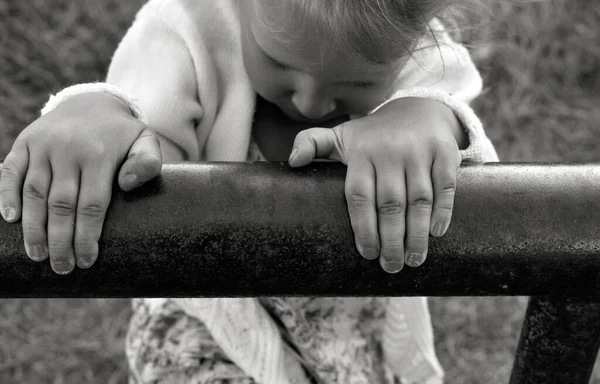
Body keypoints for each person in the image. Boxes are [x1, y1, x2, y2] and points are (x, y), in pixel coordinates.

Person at [0, 0, 498, 382]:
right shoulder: (193, 23)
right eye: (279, 63)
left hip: (353, 339)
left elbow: (469, 147)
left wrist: (423, 116)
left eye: (356, 82)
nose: (310, 100)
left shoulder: (409, 39)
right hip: (207, 334)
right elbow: (140, 124)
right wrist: (96, 111)